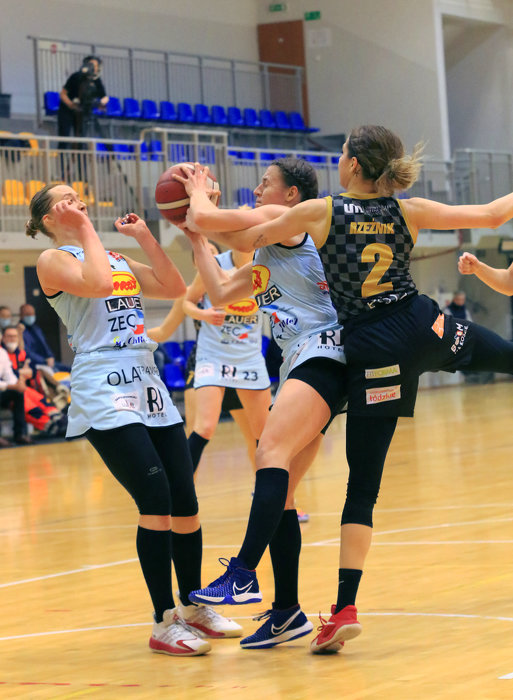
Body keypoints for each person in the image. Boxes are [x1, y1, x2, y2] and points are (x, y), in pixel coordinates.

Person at [179, 126, 513, 655]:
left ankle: (297, 591)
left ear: (353, 164)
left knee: (350, 483)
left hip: (367, 350)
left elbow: (236, 236)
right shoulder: (407, 209)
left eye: (340, 153)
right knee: (505, 356)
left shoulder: (319, 212)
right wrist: (199, 228)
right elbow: (493, 215)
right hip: (420, 325)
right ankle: (292, 610)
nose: (337, 160)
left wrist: (197, 196)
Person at [26, 183, 241, 657]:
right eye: (65, 199)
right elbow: (99, 285)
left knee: (185, 499)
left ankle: (193, 606)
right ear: (47, 219)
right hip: (103, 384)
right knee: (156, 498)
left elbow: (174, 288)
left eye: (78, 197)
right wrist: (85, 227)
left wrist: (144, 237)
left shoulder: (113, 256)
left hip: (146, 380)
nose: (77, 201)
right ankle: (164, 621)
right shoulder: (52, 260)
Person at [175, 157, 347, 649]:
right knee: (281, 492)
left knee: (266, 453)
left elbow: (215, 221)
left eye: (265, 182)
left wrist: (199, 191)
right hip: (305, 364)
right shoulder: (268, 256)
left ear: (291, 195)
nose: (256, 189)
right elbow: (218, 291)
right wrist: (196, 240)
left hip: (323, 354)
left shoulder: (291, 227)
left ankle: (243, 573)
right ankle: (288, 611)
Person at [148, 247, 259, 471]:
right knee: (197, 433)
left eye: (213, 252)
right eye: (202, 253)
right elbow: (162, 332)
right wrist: (128, 335)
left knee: (256, 438)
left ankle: (265, 487)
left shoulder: (238, 285)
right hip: (203, 364)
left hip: (238, 364)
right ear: (195, 263)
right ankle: (185, 490)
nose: (209, 257)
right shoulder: (189, 294)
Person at [183, 247, 272, 474]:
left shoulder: (267, 264)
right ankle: (179, 490)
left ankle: (271, 494)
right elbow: (187, 302)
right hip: (213, 356)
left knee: (263, 435)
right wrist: (205, 314)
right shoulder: (213, 265)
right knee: (204, 428)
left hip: (248, 358)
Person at [1, 325, 66, 437]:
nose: (12, 339)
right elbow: (13, 375)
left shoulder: (19, 352)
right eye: (9, 336)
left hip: (20, 386)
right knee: (30, 406)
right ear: (3, 338)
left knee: (40, 399)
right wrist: (21, 374)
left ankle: (61, 420)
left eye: (15, 336)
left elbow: (32, 371)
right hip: (7, 391)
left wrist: (27, 373)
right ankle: (52, 427)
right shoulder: (3, 352)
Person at [58, 56, 108, 142]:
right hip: (67, 110)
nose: (94, 68)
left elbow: (105, 97)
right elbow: (63, 94)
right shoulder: (76, 76)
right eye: (92, 65)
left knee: (81, 139)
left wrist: (100, 102)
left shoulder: (97, 80)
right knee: (64, 139)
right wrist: (71, 105)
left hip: (82, 111)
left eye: (96, 66)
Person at [0, 328, 30, 446]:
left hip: (2, 390)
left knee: (18, 393)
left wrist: (18, 384)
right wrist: (11, 386)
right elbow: (8, 384)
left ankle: (20, 434)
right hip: (2, 387)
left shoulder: (2, 353)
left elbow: (9, 375)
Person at [19, 303, 70, 372]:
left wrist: (50, 356)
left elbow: (45, 345)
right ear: (21, 315)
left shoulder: (36, 328)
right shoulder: (19, 331)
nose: (30, 316)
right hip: (33, 363)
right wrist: (44, 361)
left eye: (32, 314)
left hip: (47, 361)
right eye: (28, 314)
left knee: (69, 369)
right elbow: (26, 352)